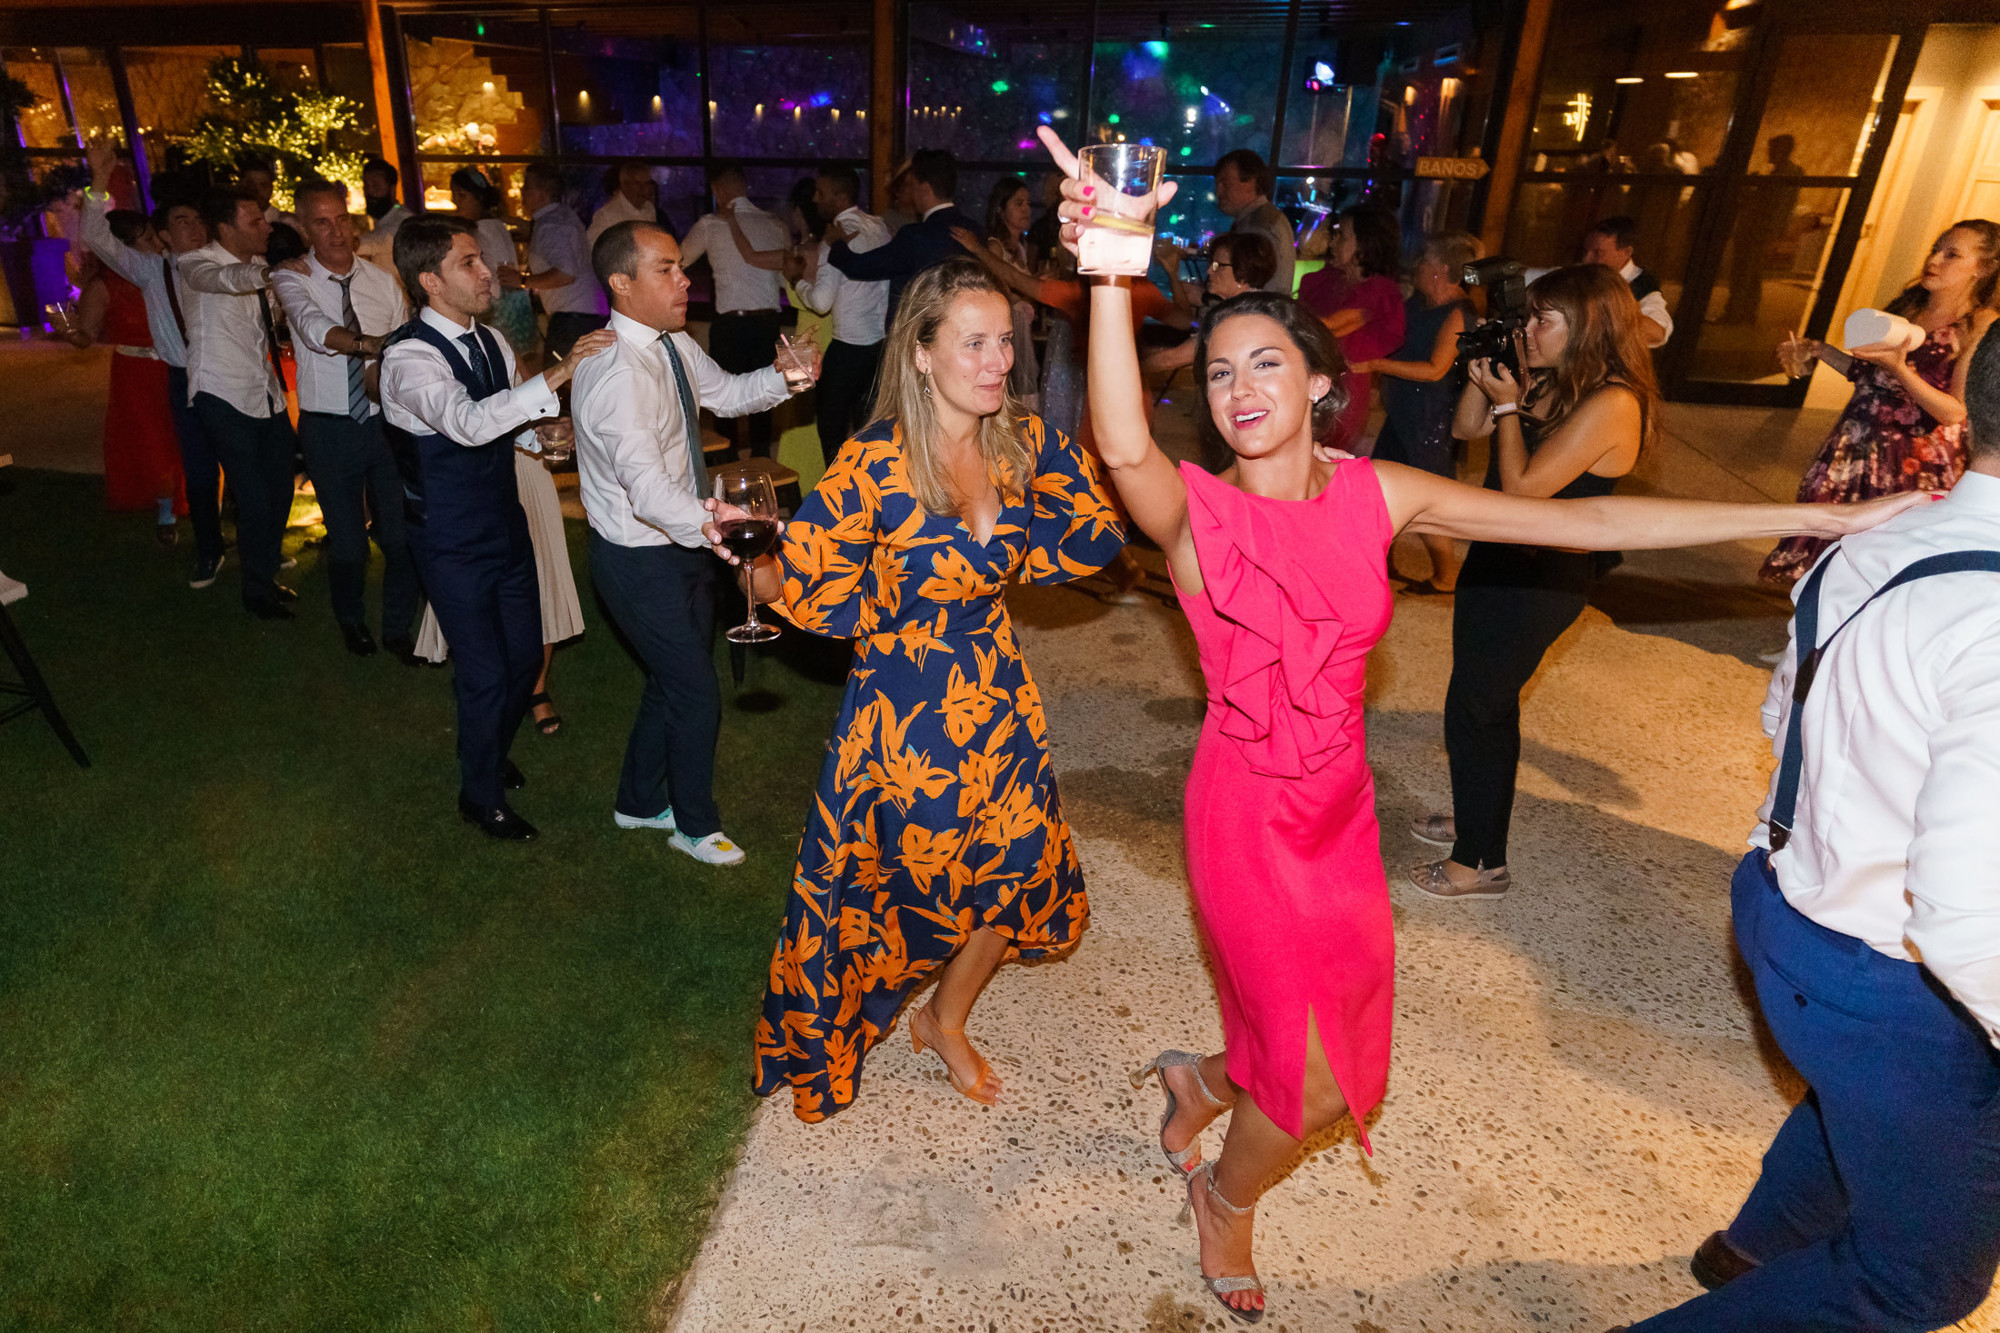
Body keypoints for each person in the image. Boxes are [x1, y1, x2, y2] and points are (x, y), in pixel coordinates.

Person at [1034, 124, 1925, 1324]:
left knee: (1333, 1040)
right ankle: (1224, 1199)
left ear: (1317, 384)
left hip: (1335, 811)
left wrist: (1816, 521)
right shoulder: (1191, 518)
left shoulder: (1376, 493)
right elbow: (1119, 436)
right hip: (1242, 810)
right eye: (1219, 375)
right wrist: (1107, 265)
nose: (1238, 391)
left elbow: (1570, 528)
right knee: (1308, 1092)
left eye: (1263, 367)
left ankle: (1203, 1076)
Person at [1615, 327, 2000, 1333]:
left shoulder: (1877, 536)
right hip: (1894, 984)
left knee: (1847, 1102)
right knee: (1918, 1279)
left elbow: (1783, 715)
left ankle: (1750, 1250)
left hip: (1777, 905)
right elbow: (1965, 917)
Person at [705, 256, 1127, 1122]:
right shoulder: (876, 464)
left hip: (997, 692)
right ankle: (887, 1008)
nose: (997, 361)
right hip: (905, 716)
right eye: (974, 343)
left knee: (1016, 872)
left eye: (1005, 342)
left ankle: (945, 1017)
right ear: (923, 353)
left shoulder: (1024, 442)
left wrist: (1038, 543)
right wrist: (748, 564)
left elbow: (1092, 535)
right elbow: (804, 588)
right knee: (915, 888)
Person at [1408, 264, 1654, 899]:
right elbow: (1466, 429)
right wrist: (1488, 372)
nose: (1530, 329)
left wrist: (1511, 404)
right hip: (1498, 559)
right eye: (1529, 316)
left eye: (1545, 319)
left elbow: (1523, 492)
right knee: (1482, 701)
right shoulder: (1554, 379)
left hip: (1543, 577)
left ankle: (1481, 863)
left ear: (1589, 327)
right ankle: (1476, 816)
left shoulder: (1612, 402)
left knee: (1477, 706)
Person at [573, 219, 807, 863]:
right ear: (621, 284)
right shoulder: (615, 374)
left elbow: (727, 395)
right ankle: (695, 825)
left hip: (681, 543)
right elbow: (646, 492)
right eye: (668, 270)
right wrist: (717, 524)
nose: (686, 280)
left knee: (670, 682)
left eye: (682, 266)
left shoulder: (672, 343)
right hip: (636, 557)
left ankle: (639, 803)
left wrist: (786, 377)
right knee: (695, 690)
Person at [379, 215, 616, 840]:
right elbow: (467, 424)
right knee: (484, 672)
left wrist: (546, 435)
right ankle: (479, 796)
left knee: (521, 664)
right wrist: (559, 374)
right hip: (449, 541)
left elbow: (511, 424)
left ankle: (487, 751)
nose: (488, 273)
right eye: (469, 263)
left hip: (507, 529)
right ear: (430, 280)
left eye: (481, 260)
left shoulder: (490, 342)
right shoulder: (407, 360)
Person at [1763, 220, 2000, 584]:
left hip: (1909, 460)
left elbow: (1955, 412)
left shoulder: (1978, 326)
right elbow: (1869, 375)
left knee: (1876, 552)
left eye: (1951, 254)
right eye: (1935, 248)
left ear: (1982, 268)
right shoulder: (1908, 307)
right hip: (1853, 441)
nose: (1934, 259)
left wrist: (1900, 369)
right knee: (1825, 532)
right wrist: (1819, 351)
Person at [269, 179, 419, 660]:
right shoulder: (293, 278)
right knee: (350, 546)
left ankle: (397, 628)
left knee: (401, 539)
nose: (335, 231)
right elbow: (313, 330)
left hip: (385, 424)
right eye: (322, 222)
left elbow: (402, 350)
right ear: (305, 227)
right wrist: (367, 345)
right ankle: (351, 621)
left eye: (342, 219)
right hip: (330, 428)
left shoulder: (381, 280)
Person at [79, 148, 224, 582]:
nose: (195, 228)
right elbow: (97, 237)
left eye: (198, 220)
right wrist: (99, 183)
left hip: (228, 377)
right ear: (162, 234)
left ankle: (247, 539)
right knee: (195, 465)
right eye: (182, 222)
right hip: (182, 377)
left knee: (238, 464)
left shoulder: (226, 265)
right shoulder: (150, 270)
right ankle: (208, 546)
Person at [183, 185, 299, 620]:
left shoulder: (260, 266)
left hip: (265, 392)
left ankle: (263, 576)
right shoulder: (195, 263)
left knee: (280, 489)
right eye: (255, 221)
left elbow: (274, 321)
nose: (266, 227)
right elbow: (226, 281)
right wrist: (273, 275)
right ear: (226, 227)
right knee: (253, 497)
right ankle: (255, 592)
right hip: (221, 393)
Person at [1349, 230, 1482, 592]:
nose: (1417, 267)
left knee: (1427, 503)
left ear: (1439, 269)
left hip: (1430, 419)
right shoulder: (1418, 304)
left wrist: (1376, 364)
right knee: (1377, 485)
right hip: (1405, 410)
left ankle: (1446, 575)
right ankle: (1377, 559)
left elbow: (1435, 369)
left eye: (1423, 261)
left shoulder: (1459, 314)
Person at [72, 204, 185, 543]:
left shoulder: (168, 270)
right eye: (148, 239)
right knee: (154, 443)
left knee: (182, 436)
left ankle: (193, 495)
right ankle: (166, 513)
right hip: (135, 373)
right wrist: (68, 330)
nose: (158, 243)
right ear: (123, 247)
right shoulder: (104, 286)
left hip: (173, 365)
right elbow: (85, 338)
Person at [677, 163, 791, 458]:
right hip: (768, 322)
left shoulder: (711, 224)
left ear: (719, 191)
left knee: (723, 399)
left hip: (731, 325)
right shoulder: (775, 224)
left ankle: (724, 465)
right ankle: (764, 462)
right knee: (763, 397)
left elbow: (677, 262)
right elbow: (784, 278)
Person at [788, 167, 889, 464]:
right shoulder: (879, 227)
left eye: (821, 193)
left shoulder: (834, 239)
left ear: (841, 196)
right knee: (870, 437)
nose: (816, 199)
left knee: (832, 438)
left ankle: (838, 504)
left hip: (846, 352)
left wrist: (796, 280)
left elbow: (820, 303)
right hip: (879, 348)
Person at [824, 149, 984, 319]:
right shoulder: (976, 230)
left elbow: (859, 267)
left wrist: (837, 243)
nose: (912, 193)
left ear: (925, 189)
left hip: (917, 335)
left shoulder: (915, 236)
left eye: (913, 186)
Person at [1297, 204, 1406, 453]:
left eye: (1343, 236)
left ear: (1365, 245)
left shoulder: (1378, 291)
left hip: (1340, 395)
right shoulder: (1329, 280)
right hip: (1310, 383)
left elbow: (1330, 327)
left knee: (1321, 459)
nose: (1334, 241)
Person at [1143, 232, 1275, 382]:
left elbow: (1170, 360)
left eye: (1218, 266)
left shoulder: (1234, 317)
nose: (1209, 271)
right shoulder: (1259, 307)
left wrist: (1121, 369)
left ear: (1243, 274)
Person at [510, 162, 608, 360]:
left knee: (561, 387)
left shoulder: (553, 224)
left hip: (573, 321)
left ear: (542, 193)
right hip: (582, 317)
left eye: (527, 186)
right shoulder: (557, 219)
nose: (522, 191)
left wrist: (521, 281)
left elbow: (565, 274)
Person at [450, 167, 535, 357]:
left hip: (498, 308)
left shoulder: (482, 228)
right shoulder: (496, 224)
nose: (455, 201)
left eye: (462, 195)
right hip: (512, 303)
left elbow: (495, 275)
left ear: (478, 198)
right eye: (454, 194)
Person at [1722, 134, 1804, 325]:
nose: (1770, 153)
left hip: (1757, 232)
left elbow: (1774, 207)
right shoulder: (1783, 173)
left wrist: (1770, 234)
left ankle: (1735, 313)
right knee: (1751, 275)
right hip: (1759, 231)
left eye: (1773, 149)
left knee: (1744, 274)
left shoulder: (1784, 175)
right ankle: (1745, 313)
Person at [984, 175, 1042, 408]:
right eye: (1018, 203)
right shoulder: (994, 247)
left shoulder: (1021, 247)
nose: (1026, 209)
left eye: (1028, 203)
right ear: (1000, 209)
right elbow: (998, 295)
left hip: (1024, 333)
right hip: (1009, 334)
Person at [1581, 215, 1673, 348]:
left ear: (1626, 252)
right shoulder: (1580, 273)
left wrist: (1615, 305)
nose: (1586, 260)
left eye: (1598, 253)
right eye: (1585, 251)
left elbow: (1658, 333)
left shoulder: (1642, 286)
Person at [1214, 149, 1296, 296]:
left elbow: (1252, 287)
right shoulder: (1265, 218)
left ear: (1250, 182)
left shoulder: (1258, 226)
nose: (1218, 192)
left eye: (1225, 184)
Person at [355, 157, 414, 274]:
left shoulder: (404, 221)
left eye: (376, 186)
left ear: (392, 189)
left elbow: (376, 241)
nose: (369, 192)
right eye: (366, 185)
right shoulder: (379, 220)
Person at [586, 160, 658, 247]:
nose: (643, 189)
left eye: (646, 184)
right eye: (637, 183)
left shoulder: (649, 208)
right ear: (625, 185)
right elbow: (591, 248)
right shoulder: (608, 215)